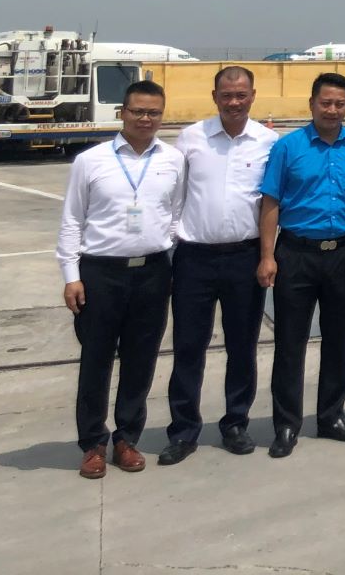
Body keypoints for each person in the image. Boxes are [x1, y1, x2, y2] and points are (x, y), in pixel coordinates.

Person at [57, 80, 187, 478]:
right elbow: (72, 220)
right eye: (138, 111)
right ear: (122, 113)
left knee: (140, 360)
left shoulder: (173, 159)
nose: (145, 119)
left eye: (153, 112)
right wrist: (71, 275)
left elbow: (176, 213)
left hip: (152, 272)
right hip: (101, 273)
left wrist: (167, 257)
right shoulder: (90, 161)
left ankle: (127, 438)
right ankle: (93, 443)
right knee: (96, 361)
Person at [160, 67, 278, 465]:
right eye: (227, 95)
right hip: (195, 258)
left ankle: (235, 423)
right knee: (188, 347)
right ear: (215, 97)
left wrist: (267, 255)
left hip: (245, 257)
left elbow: (270, 203)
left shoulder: (268, 142)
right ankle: (183, 430)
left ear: (253, 96)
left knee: (243, 345)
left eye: (241, 95)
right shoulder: (191, 138)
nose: (234, 102)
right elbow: (175, 195)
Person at [258, 72, 345, 458]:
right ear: (311, 104)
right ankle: (286, 424)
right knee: (290, 343)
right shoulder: (287, 147)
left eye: (339, 103)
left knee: (339, 340)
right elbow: (270, 202)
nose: (332, 110)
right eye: (325, 103)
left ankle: (331, 417)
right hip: (297, 254)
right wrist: (267, 255)